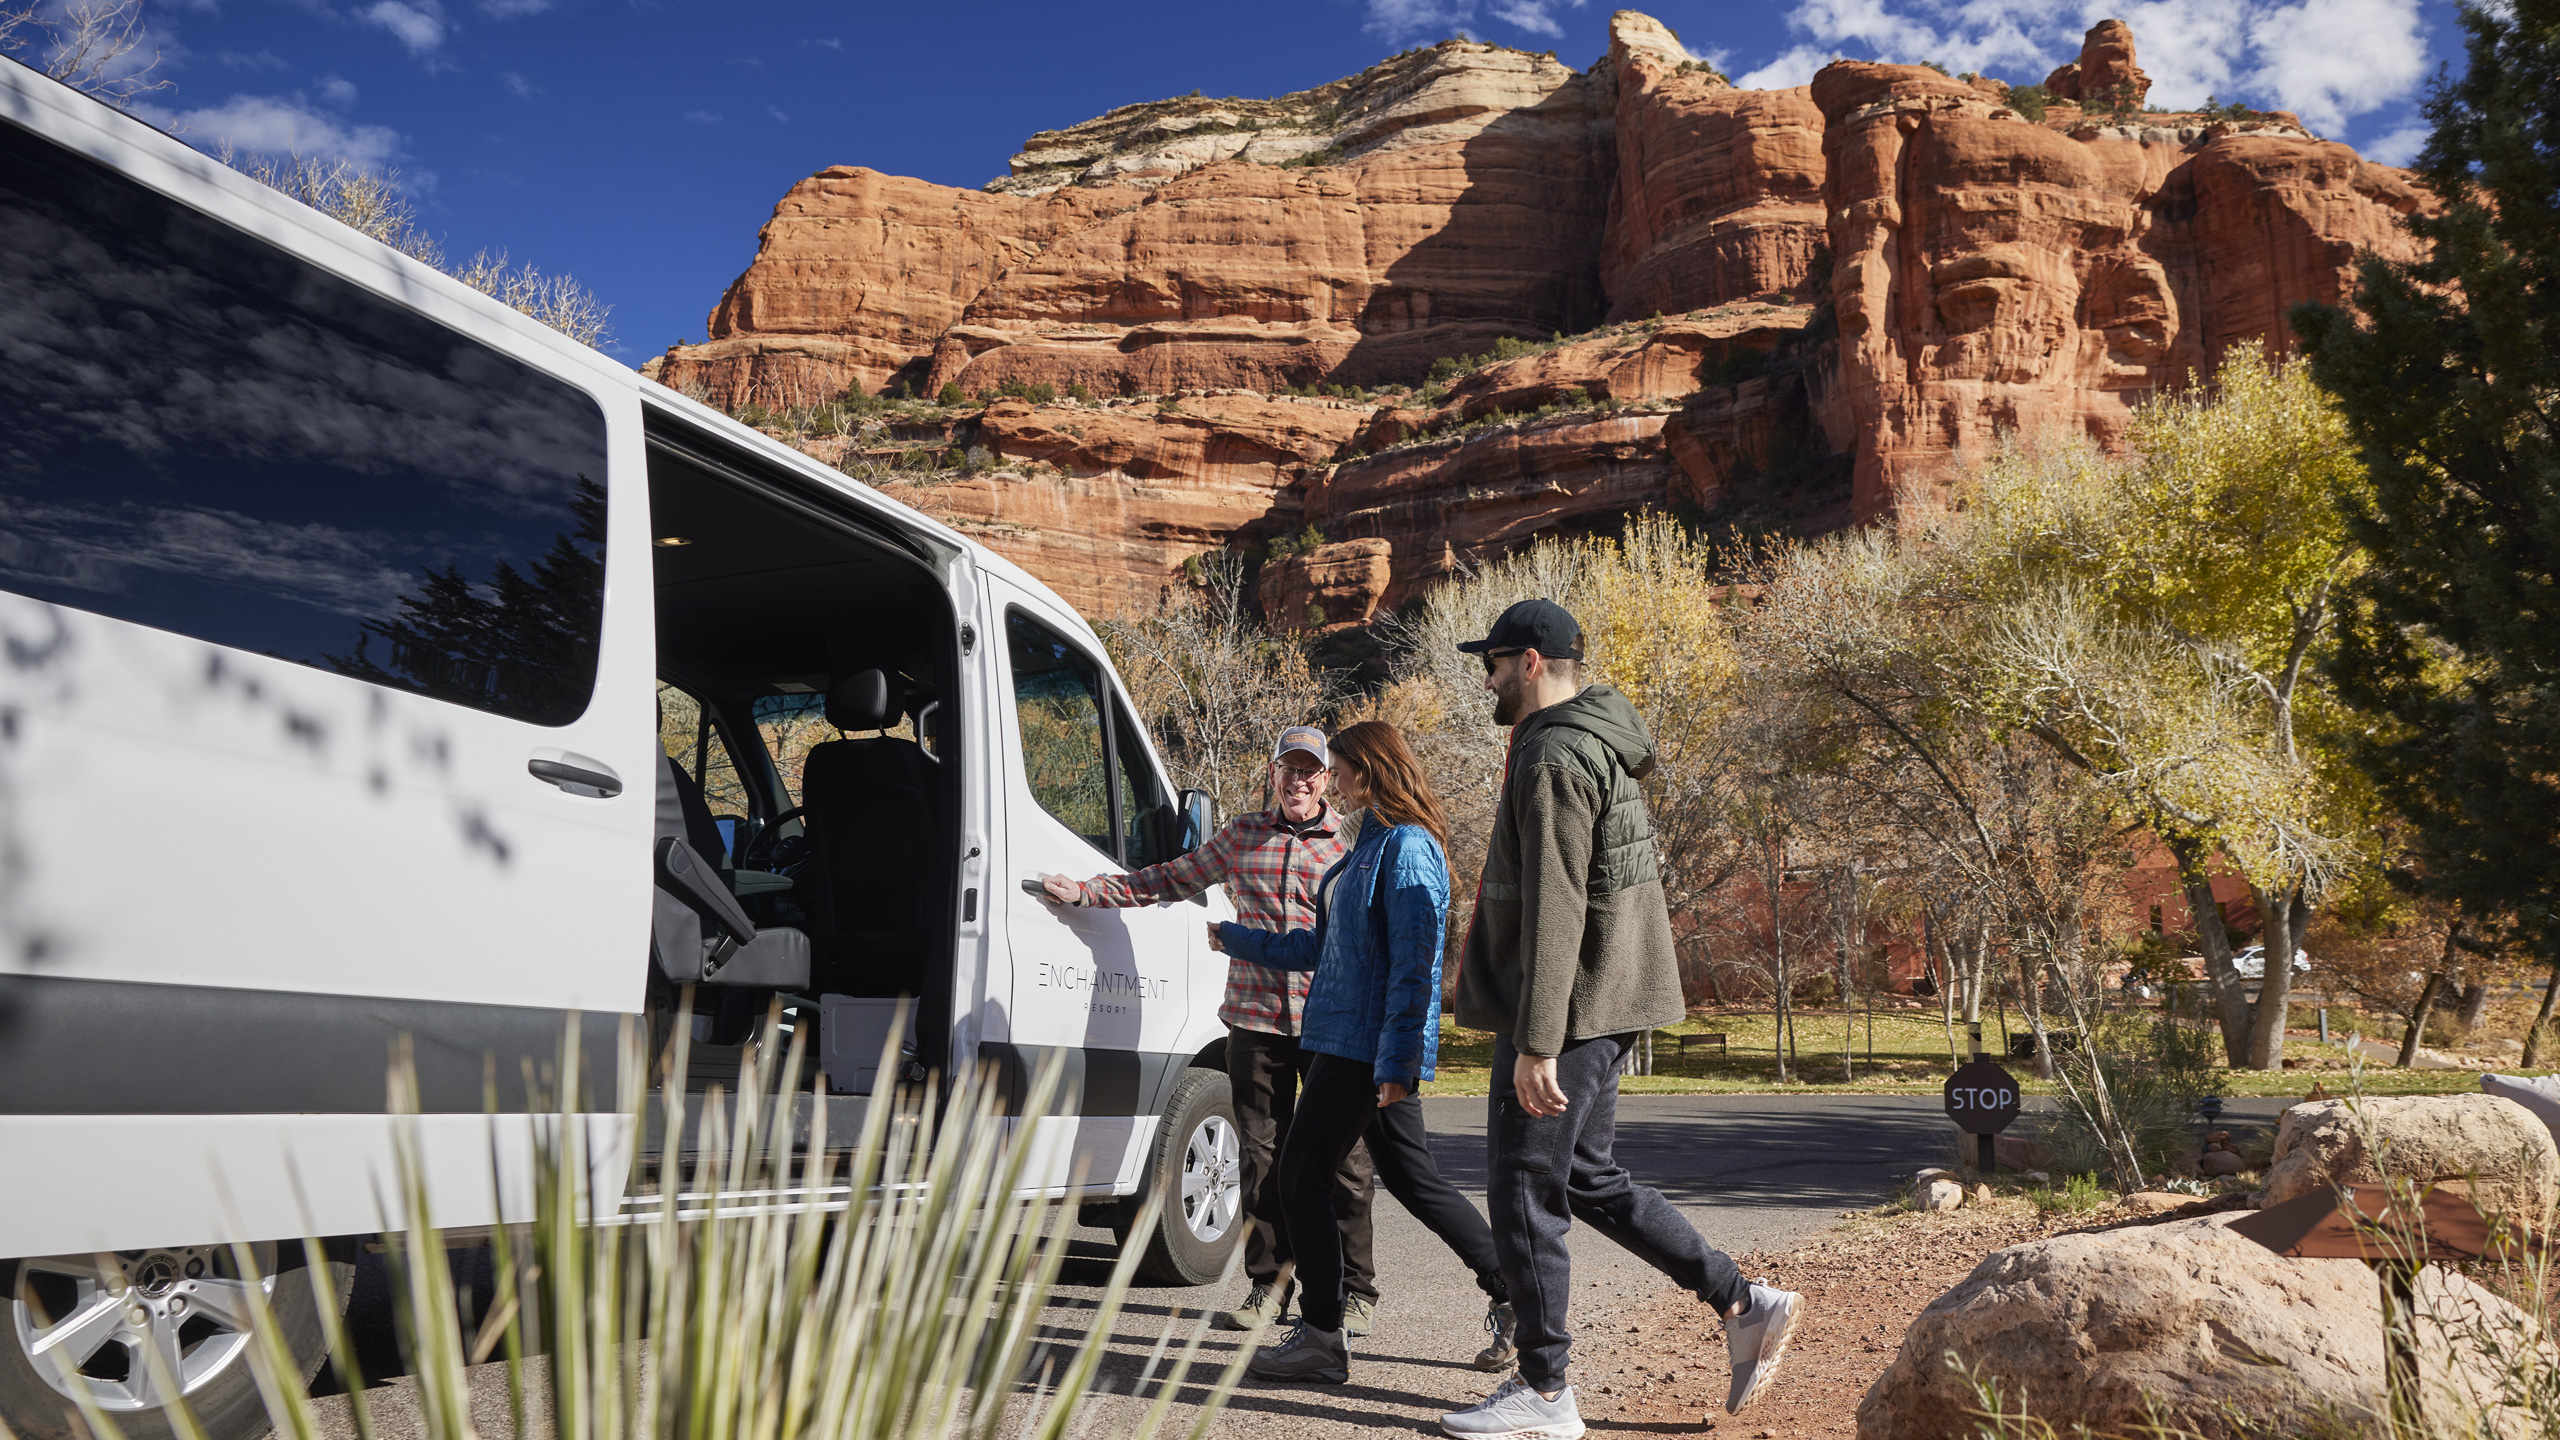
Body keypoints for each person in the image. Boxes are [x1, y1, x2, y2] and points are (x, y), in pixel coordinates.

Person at [1440, 599, 1806, 1440]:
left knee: (1525, 1191)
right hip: (1603, 1004)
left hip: (1568, 1013)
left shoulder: (1553, 759)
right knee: (1585, 1178)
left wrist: (1537, 1041)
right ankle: (1743, 1301)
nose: (1486, 678)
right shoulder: (1596, 740)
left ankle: (1544, 1392)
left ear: (1530, 662)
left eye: (1492, 662)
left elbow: (1558, 905)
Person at [1041, 725, 1383, 1336]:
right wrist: (1091, 892)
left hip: (1327, 1023)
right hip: (1253, 1020)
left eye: (1311, 770)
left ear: (1327, 779)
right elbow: (1167, 879)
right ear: (1273, 775)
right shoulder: (1241, 836)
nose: (1299, 780)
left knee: (1346, 1161)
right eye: (1289, 769)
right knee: (1259, 1154)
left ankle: (1357, 1291)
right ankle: (1269, 1288)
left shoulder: (1352, 846)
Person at [1205, 720, 1517, 1384]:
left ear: (1370, 770)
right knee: (1414, 1180)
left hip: (1363, 1046)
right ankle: (1515, 1289)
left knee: (1299, 1175)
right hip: (1348, 1040)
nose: (1332, 781)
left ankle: (1321, 1332)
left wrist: (1400, 1060)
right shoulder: (1366, 847)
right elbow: (1321, 951)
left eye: (1340, 769)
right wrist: (1237, 938)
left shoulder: (1408, 849)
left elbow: (1416, 966)